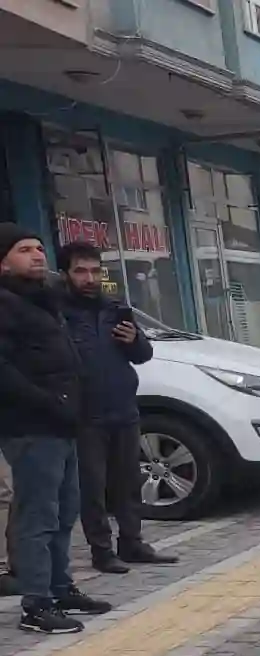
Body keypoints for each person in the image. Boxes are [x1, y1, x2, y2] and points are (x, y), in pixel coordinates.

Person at [0, 225, 113, 634]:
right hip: (32, 427)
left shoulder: (43, 300)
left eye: (38, 248)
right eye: (23, 250)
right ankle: (37, 604)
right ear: (3, 261)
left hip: (64, 426)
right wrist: (50, 402)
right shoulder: (6, 304)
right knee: (38, 516)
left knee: (65, 512)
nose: (36, 255)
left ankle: (60, 587)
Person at [58, 242, 174, 575]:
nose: (89, 278)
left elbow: (143, 354)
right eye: (81, 271)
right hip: (86, 415)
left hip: (124, 409)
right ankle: (102, 550)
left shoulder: (114, 308)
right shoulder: (59, 312)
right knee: (93, 488)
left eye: (95, 271)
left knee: (128, 481)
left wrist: (134, 340)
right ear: (66, 274)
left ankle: (133, 542)